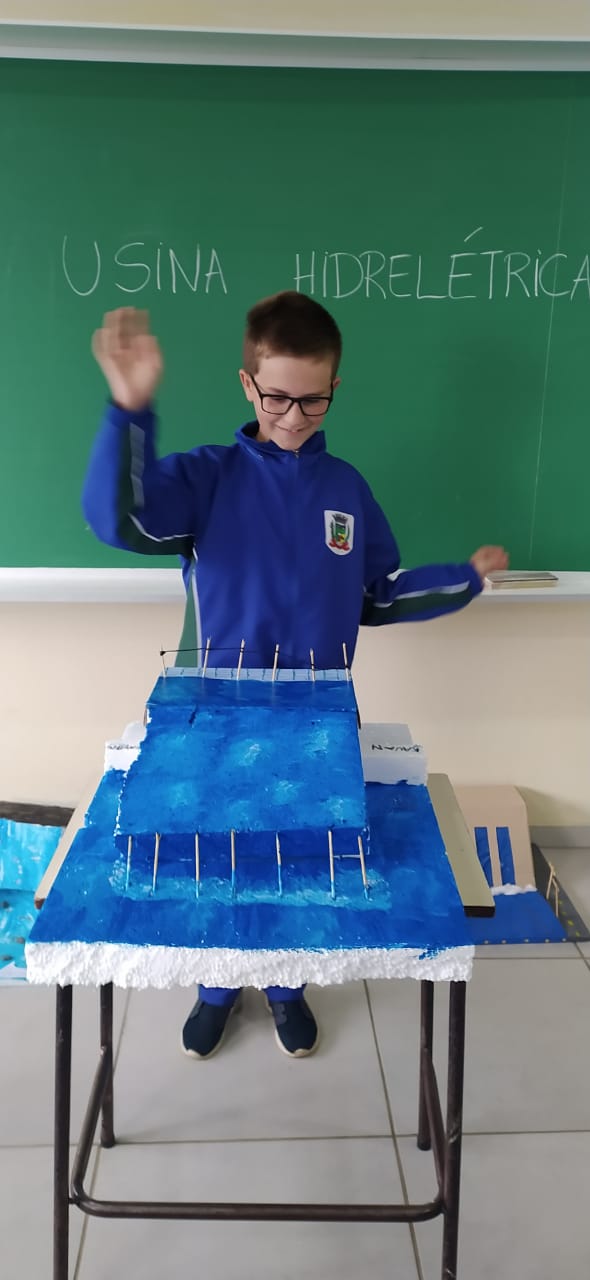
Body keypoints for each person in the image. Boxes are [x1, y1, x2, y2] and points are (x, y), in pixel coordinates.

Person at [83, 291, 508, 1061]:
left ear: (334, 388)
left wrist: (462, 581)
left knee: (302, 855)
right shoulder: (208, 478)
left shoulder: (346, 490)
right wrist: (130, 412)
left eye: (312, 399)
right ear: (247, 384)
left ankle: (286, 985)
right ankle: (218, 985)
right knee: (218, 855)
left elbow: (379, 595)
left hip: (316, 723)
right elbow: (119, 519)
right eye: (276, 396)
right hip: (217, 715)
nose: (292, 416)